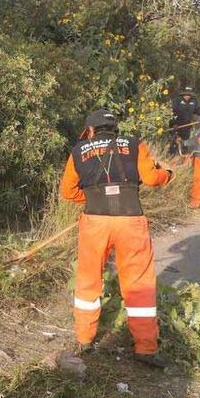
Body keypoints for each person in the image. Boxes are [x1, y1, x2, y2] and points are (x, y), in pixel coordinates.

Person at [59, 109, 173, 368]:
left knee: (88, 279)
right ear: (114, 128)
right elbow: (153, 178)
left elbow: (68, 192)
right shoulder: (134, 144)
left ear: (90, 130)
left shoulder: (79, 149)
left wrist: (91, 199)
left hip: (95, 222)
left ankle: (84, 340)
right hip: (131, 219)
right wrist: (168, 173)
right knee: (139, 283)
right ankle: (146, 349)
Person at [169, 86, 200, 154]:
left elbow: (199, 110)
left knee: (185, 142)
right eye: (186, 94)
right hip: (176, 126)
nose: (187, 96)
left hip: (187, 126)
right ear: (183, 94)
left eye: (189, 94)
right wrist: (173, 123)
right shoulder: (177, 101)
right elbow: (171, 113)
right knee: (175, 142)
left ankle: (184, 156)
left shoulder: (193, 102)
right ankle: (172, 156)